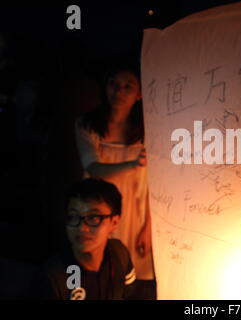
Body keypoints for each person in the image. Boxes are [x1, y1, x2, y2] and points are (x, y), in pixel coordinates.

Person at [74, 62, 155, 298]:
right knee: (101, 272)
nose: (119, 92)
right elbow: (94, 168)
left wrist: (149, 228)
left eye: (128, 86)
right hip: (100, 207)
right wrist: (132, 164)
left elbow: (152, 185)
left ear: (139, 93)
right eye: (114, 84)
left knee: (136, 280)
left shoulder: (147, 128)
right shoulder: (87, 125)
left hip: (136, 211)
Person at [39, 178, 139, 300]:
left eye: (93, 218)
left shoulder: (119, 254)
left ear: (114, 222)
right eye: (73, 217)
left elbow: (131, 295)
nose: (82, 228)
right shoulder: (54, 277)